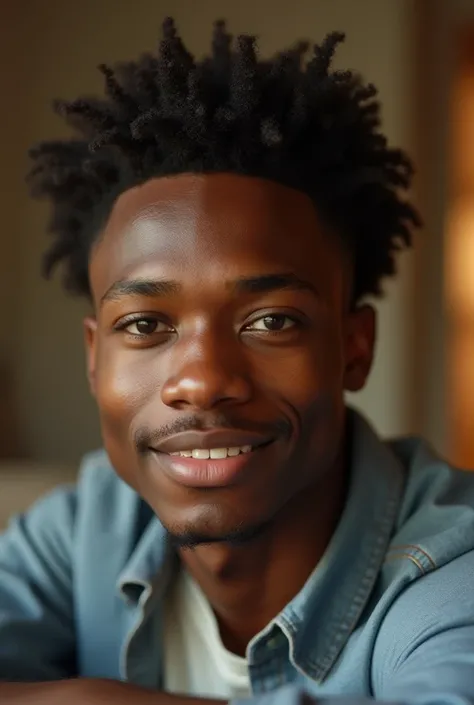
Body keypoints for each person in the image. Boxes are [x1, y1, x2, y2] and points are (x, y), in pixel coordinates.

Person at [1, 16, 474, 705]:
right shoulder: (84, 530)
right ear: (95, 358)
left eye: (271, 320)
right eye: (144, 323)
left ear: (354, 349)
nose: (202, 380)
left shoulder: (450, 566)